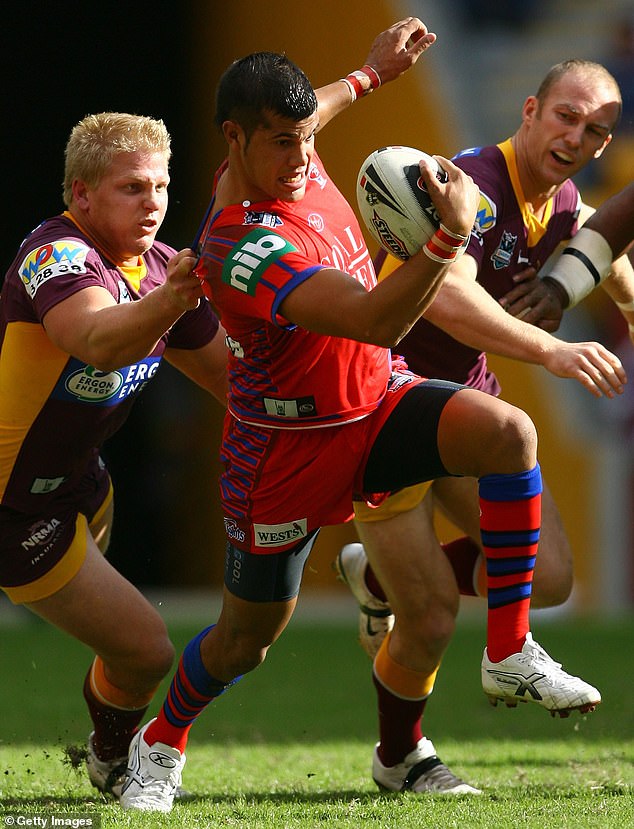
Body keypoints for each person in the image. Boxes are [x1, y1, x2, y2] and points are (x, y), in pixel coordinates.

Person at [120, 20, 603, 813]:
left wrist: (371, 76)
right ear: (234, 141)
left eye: (305, 135)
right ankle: (162, 739)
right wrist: (449, 234)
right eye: (282, 143)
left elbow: (321, 109)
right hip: (289, 451)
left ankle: (508, 650)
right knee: (249, 639)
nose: (303, 156)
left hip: (377, 404)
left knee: (508, 432)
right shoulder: (239, 246)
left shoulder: (292, 147)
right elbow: (377, 318)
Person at [336, 58, 634, 662]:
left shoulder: (562, 197)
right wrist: (553, 350)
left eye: (593, 131)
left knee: (549, 579)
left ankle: (373, 580)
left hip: (463, 397)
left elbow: (606, 250)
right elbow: (446, 292)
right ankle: (399, 754)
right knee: (429, 620)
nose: (575, 138)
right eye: (565, 117)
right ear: (530, 112)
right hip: (386, 399)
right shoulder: (478, 185)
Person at [0, 112, 228, 798]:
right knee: (147, 649)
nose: (154, 202)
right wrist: (171, 301)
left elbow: (234, 380)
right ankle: (112, 756)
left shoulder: (161, 269)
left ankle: (107, 750)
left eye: (160, 185)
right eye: (132, 187)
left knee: (124, 648)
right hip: (14, 505)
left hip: (83, 482)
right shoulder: (56, 254)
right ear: (81, 195)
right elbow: (98, 339)